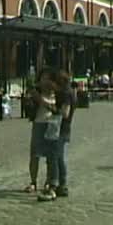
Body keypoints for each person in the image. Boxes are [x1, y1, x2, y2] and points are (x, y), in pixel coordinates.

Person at [39, 70, 74, 201]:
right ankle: (62, 185)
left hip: (60, 128)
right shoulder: (67, 92)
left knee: (54, 157)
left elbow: (65, 113)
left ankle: (54, 186)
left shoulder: (65, 94)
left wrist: (49, 107)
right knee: (59, 157)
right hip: (63, 128)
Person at [24, 68, 56, 194]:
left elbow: (55, 109)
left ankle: (48, 182)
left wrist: (41, 100)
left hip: (51, 124)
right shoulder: (36, 91)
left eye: (48, 78)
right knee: (34, 155)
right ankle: (33, 182)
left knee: (50, 156)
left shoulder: (56, 93)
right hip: (38, 123)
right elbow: (28, 106)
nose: (45, 81)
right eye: (43, 78)